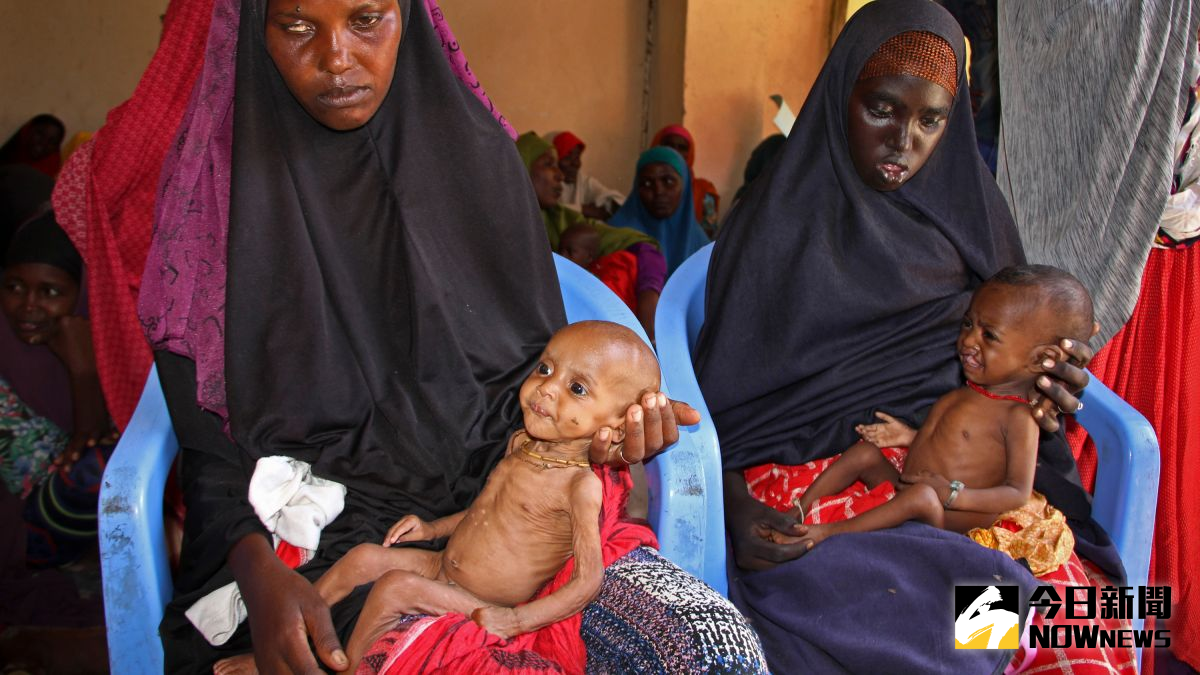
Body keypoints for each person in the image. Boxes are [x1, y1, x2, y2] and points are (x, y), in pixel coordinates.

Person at [140, 1, 763, 673]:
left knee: (707, 648)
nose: (336, 56)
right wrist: (260, 579)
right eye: (296, 26)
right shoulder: (215, 205)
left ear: (407, 15)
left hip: (522, 522)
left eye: (367, 18)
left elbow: (541, 380)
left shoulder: (476, 162)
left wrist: (609, 436)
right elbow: (209, 452)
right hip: (320, 546)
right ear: (255, 28)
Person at [694, 2, 1122, 672]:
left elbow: (1013, 369)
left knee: (1075, 627)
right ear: (842, 97)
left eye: (932, 119)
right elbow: (720, 403)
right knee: (909, 613)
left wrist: (1044, 388)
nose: (904, 140)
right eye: (882, 108)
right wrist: (734, 507)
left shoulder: (976, 222)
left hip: (952, 483)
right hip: (813, 477)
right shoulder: (775, 225)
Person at [792, 265, 1097, 551]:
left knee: (921, 496)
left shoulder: (1019, 417)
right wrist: (909, 436)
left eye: (988, 335)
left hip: (945, 518)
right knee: (865, 454)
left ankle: (827, 534)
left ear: (1038, 358)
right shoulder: (969, 391)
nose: (968, 340)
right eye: (968, 324)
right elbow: (958, 444)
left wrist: (953, 494)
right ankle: (798, 511)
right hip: (910, 489)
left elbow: (1017, 492)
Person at [517, 131, 667, 340]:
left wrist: (648, 308)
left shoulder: (563, 219)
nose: (560, 174)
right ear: (520, 167)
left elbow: (642, 246)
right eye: (548, 164)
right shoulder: (503, 228)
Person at [608, 147, 710, 275]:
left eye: (668, 181)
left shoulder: (702, 246)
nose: (659, 191)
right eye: (647, 184)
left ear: (685, 186)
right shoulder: (617, 237)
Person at [650, 124, 720, 235]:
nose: (675, 152)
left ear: (690, 153)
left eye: (682, 148)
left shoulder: (704, 190)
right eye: (669, 145)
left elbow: (708, 233)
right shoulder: (647, 186)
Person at [558, 223, 639, 311]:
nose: (562, 255)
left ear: (589, 258)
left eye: (570, 252)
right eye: (560, 249)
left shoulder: (595, 286)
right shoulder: (557, 271)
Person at [550, 131, 625, 220]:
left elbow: (617, 200)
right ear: (556, 161)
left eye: (577, 157)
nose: (575, 163)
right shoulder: (548, 183)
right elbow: (551, 211)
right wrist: (584, 209)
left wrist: (607, 207)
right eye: (567, 157)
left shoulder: (583, 181)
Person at [0, 115, 65, 177]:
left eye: (52, 142)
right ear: (27, 131)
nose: (43, 143)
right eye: (40, 134)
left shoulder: (49, 170)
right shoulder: (8, 148)